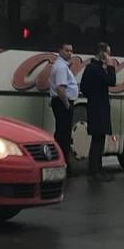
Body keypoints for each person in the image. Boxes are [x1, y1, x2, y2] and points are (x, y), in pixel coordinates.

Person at [80, 42, 116, 181]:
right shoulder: (95, 68)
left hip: (95, 105)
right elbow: (111, 81)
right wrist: (111, 65)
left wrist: (92, 96)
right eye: (108, 53)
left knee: (99, 139)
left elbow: (84, 87)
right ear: (102, 53)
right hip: (98, 107)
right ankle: (94, 170)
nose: (109, 56)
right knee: (97, 140)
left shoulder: (92, 67)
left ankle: (98, 169)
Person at [49, 42, 78, 170]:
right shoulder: (61, 67)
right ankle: (64, 163)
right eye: (67, 50)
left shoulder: (61, 66)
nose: (70, 53)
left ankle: (60, 161)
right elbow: (60, 89)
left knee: (62, 133)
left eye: (71, 51)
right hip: (63, 102)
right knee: (64, 135)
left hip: (60, 102)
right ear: (60, 50)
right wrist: (67, 105)